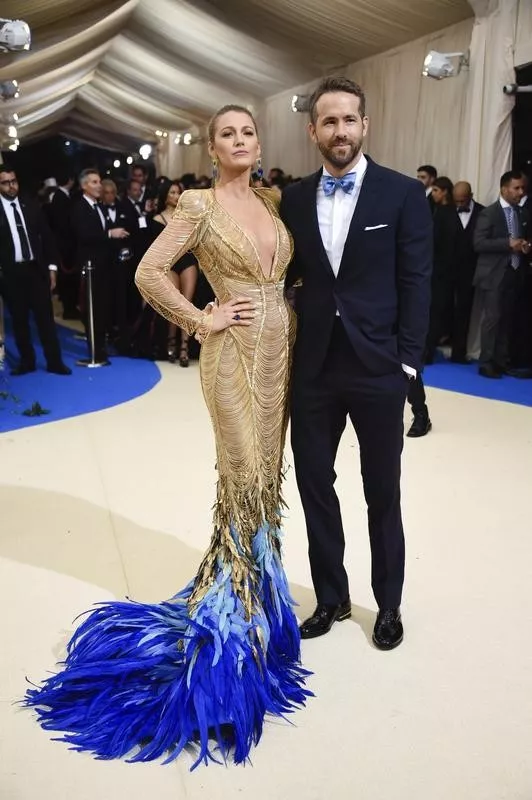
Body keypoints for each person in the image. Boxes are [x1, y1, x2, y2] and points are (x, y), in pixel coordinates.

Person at [25, 105, 308, 767]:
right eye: (228, 134)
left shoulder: (269, 200)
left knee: (267, 480)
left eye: (249, 132)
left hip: (280, 355)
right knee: (241, 481)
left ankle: (259, 603)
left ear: (258, 141)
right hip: (233, 354)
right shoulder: (199, 206)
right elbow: (149, 272)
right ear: (211, 148)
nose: (241, 140)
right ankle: (228, 628)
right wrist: (200, 319)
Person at [281, 77, 432, 649]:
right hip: (313, 367)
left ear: (365, 125)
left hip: (377, 368)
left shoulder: (401, 195)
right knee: (315, 484)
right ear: (312, 129)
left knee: (382, 490)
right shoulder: (293, 199)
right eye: (329, 122)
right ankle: (331, 597)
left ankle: (388, 604)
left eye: (349, 120)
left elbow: (418, 282)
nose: (340, 131)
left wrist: (408, 364)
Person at [0, 165, 71, 376]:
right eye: (5, 182)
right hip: (11, 274)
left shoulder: (31, 205)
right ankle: (27, 362)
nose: (11, 186)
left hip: (36, 271)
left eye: (13, 181)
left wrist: (51, 267)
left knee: (46, 320)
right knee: (19, 321)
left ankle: (54, 362)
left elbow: (47, 238)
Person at [473, 170, 532, 379]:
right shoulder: (490, 212)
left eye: (522, 188)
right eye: (516, 188)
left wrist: (525, 246)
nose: (520, 192)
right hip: (493, 275)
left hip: (515, 272)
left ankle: (501, 361)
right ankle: (486, 362)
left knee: (507, 319)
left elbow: (523, 239)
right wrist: (507, 244)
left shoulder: (522, 213)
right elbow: (478, 243)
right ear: (504, 189)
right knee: (493, 319)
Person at [70, 169, 129, 363]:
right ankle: (95, 351)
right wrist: (110, 234)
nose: (99, 186)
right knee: (92, 309)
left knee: (103, 309)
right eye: (94, 182)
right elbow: (84, 235)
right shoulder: (79, 208)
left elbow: (103, 230)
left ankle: (101, 349)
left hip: (106, 267)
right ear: (84, 186)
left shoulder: (100, 207)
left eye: (99, 182)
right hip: (91, 267)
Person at [151, 181, 198, 365]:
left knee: (187, 304)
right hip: (168, 264)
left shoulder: (188, 218)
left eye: (178, 192)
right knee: (174, 304)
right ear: (165, 196)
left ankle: (184, 346)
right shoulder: (156, 220)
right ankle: (171, 342)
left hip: (187, 261)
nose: (176, 196)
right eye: (172, 192)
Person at [451, 181, 484, 363]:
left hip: (471, 271)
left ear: (471, 196)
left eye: (462, 201)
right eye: (456, 201)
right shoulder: (446, 211)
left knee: (465, 311)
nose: (458, 205)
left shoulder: (483, 212)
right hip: (446, 271)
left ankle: (459, 352)